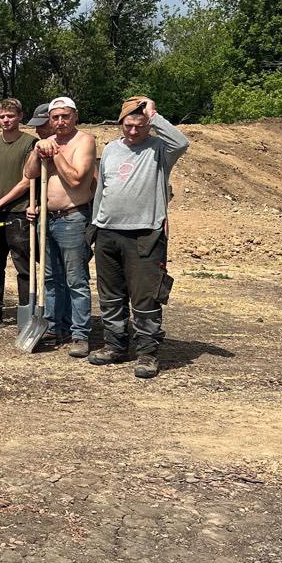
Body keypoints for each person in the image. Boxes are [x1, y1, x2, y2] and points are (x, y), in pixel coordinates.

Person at [88, 97, 190, 379]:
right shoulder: (111, 149)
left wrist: (153, 115)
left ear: (149, 126)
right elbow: (102, 190)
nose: (134, 131)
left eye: (140, 126)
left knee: (146, 296)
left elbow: (182, 142)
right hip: (108, 232)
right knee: (111, 295)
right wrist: (95, 224)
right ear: (120, 123)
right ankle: (115, 346)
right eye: (129, 125)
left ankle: (147, 352)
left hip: (146, 233)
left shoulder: (160, 150)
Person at [24, 96, 97, 359]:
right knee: (50, 278)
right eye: (55, 117)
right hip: (47, 219)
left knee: (76, 280)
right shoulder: (46, 142)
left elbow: (76, 180)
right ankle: (54, 327)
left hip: (73, 218)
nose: (60, 121)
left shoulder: (84, 141)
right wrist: (37, 152)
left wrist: (55, 154)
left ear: (75, 116)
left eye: (65, 116)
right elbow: (30, 174)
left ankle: (80, 334)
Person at [0, 98, 38, 326]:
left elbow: (26, 181)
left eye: (10, 116)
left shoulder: (30, 143)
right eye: (2, 116)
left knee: (23, 266)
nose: (6, 120)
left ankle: (27, 313)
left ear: (20, 116)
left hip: (18, 213)